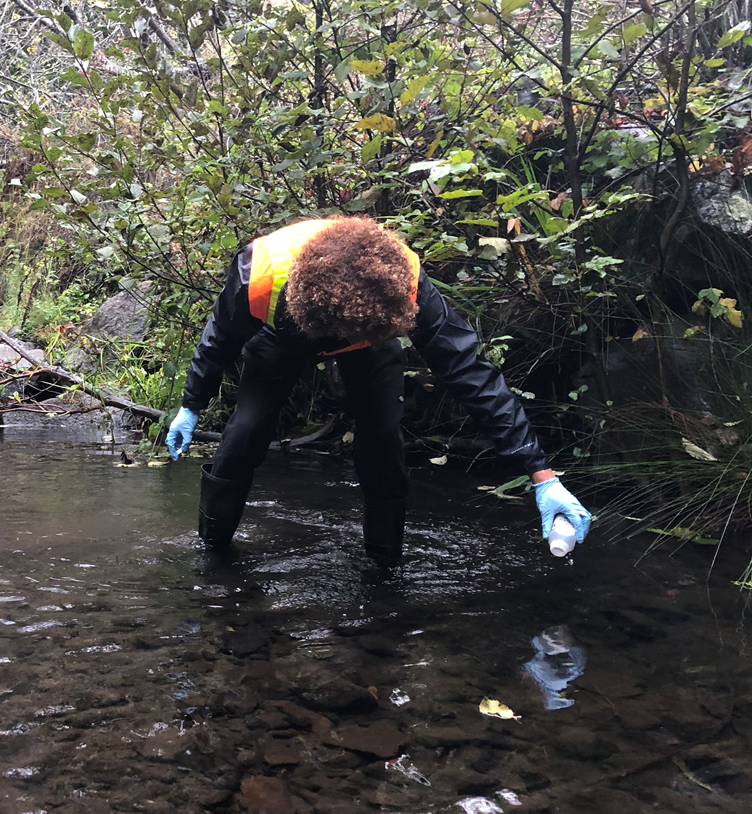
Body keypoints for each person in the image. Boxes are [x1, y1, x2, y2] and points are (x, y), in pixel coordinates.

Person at [165, 215, 591, 567]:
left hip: (372, 328)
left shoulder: (400, 283)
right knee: (246, 431)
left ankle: (384, 566)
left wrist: (541, 475)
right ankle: (212, 551)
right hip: (282, 333)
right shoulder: (256, 276)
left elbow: (469, 371)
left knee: (384, 439)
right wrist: (191, 405)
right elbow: (219, 338)